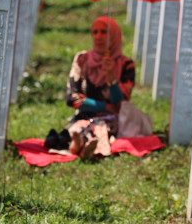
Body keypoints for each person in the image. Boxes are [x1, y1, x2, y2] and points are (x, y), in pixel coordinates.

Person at [64, 17, 151, 159]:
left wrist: (110, 77)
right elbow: (71, 98)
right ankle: (79, 143)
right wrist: (105, 106)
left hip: (114, 119)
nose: (98, 37)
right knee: (80, 127)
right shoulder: (82, 60)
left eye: (104, 32)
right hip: (86, 115)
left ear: (115, 36)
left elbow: (120, 102)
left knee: (104, 130)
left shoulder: (126, 65)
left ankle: (84, 146)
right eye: (95, 32)